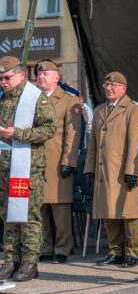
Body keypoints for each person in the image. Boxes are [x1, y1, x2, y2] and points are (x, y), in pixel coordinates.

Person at [0, 56, 56, 282]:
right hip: (5, 167)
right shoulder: (3, 98)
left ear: (21, 74)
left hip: (27, 168)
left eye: (7, 77)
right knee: (8, 215)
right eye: (0, 78)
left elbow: (49, 128)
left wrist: (19, 134)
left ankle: (30, 262)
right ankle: (11, 260)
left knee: (28, 216)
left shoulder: (35, 98)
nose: (3, 82)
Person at [84, 72, 138, 268]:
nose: (109, 88)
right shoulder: (100, 109)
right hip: (104, 170)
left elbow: (136, 142)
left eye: (113, 85)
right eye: (107, 85)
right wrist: (89, 168)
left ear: (123, 88)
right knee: (109, 210)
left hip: (123, 170)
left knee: (128, 213)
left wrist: (132, 170)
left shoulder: (133, 109)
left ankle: (132, 251)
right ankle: (115, 251)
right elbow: (93, 144)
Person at [36, 60, 82, 264]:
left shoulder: (68, 100)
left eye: (46, 74)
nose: (41, 77)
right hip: (36, 162)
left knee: (60, 207)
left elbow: (73, 134)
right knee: (40, 207)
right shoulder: (33, 99)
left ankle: (63, 248)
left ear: (57, 77)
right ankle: (45, 248)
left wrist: (69, 161)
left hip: (57, 162)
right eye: (39, 74)